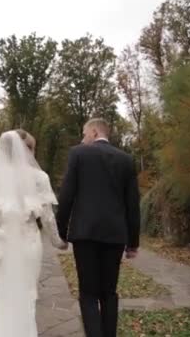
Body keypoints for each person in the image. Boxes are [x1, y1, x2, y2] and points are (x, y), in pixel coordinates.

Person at [0, 130, 67, 337]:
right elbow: (48, 218)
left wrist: (5, 213)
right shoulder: (40, 177)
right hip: (27, 243)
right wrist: (58, 242)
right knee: (25, 294)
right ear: (28, 150)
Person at [57, 118, 140, 337]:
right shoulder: (126, 159)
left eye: (84, 134)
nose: (82, 138)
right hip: (114, 235)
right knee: (109, 293)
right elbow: (133, 204)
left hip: (84, 234)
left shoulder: (78, 154)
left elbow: (66, 196)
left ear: (94, 132)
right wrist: (133, 243)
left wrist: (61, 233)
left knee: (88, 293)